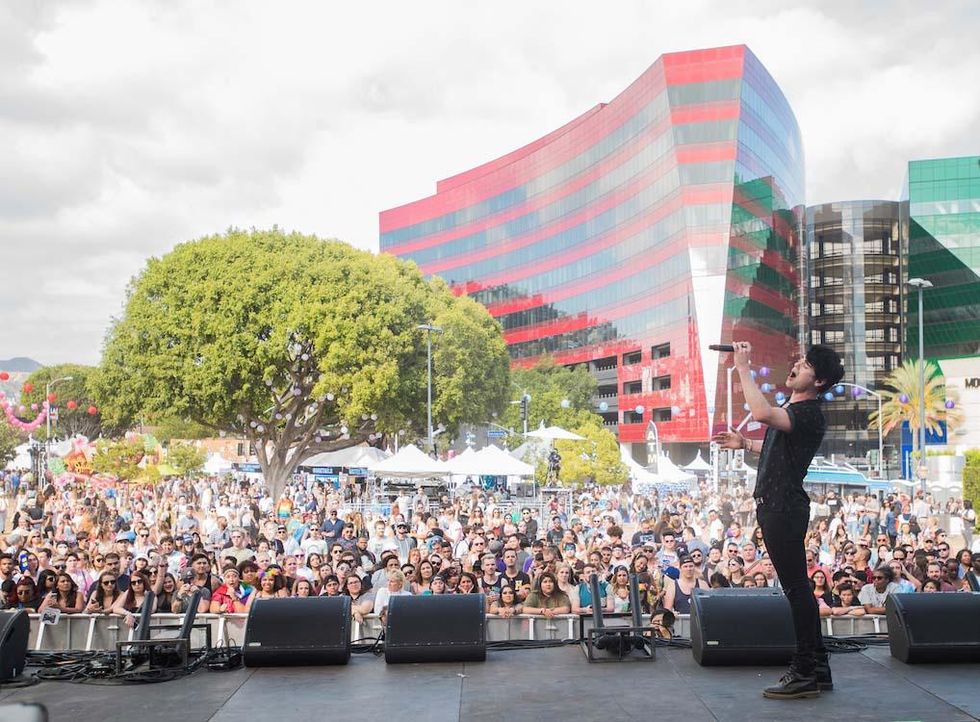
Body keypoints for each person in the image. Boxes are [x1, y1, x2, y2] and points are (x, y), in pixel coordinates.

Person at [714, 342, 843, 699]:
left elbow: (760, 413)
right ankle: (817, 668)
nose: (796, 366)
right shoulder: (795, 411)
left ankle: (804, 671)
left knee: (797, 590)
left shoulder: (810, 412)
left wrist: (743, 366)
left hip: (783, 507)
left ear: (819, 381)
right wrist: (745, 445)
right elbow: (774, 445)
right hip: (779, 505)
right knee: (798, 588)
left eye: (805, 365)